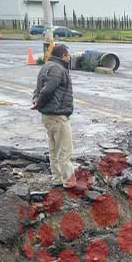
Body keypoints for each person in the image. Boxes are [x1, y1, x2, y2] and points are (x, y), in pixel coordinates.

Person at [31, 44, 78, 189]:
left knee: (54, 149)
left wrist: (36, 100)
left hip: (48, 116)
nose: (69, 57)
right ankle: (69, 182)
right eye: (68, 55)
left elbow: (39, 88)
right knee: (64, 150)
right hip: (57, 115)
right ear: (63, 55)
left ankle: (57, 178)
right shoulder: (58, 69)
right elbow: (48, 89)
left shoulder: (47, 66)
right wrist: (39, 103)